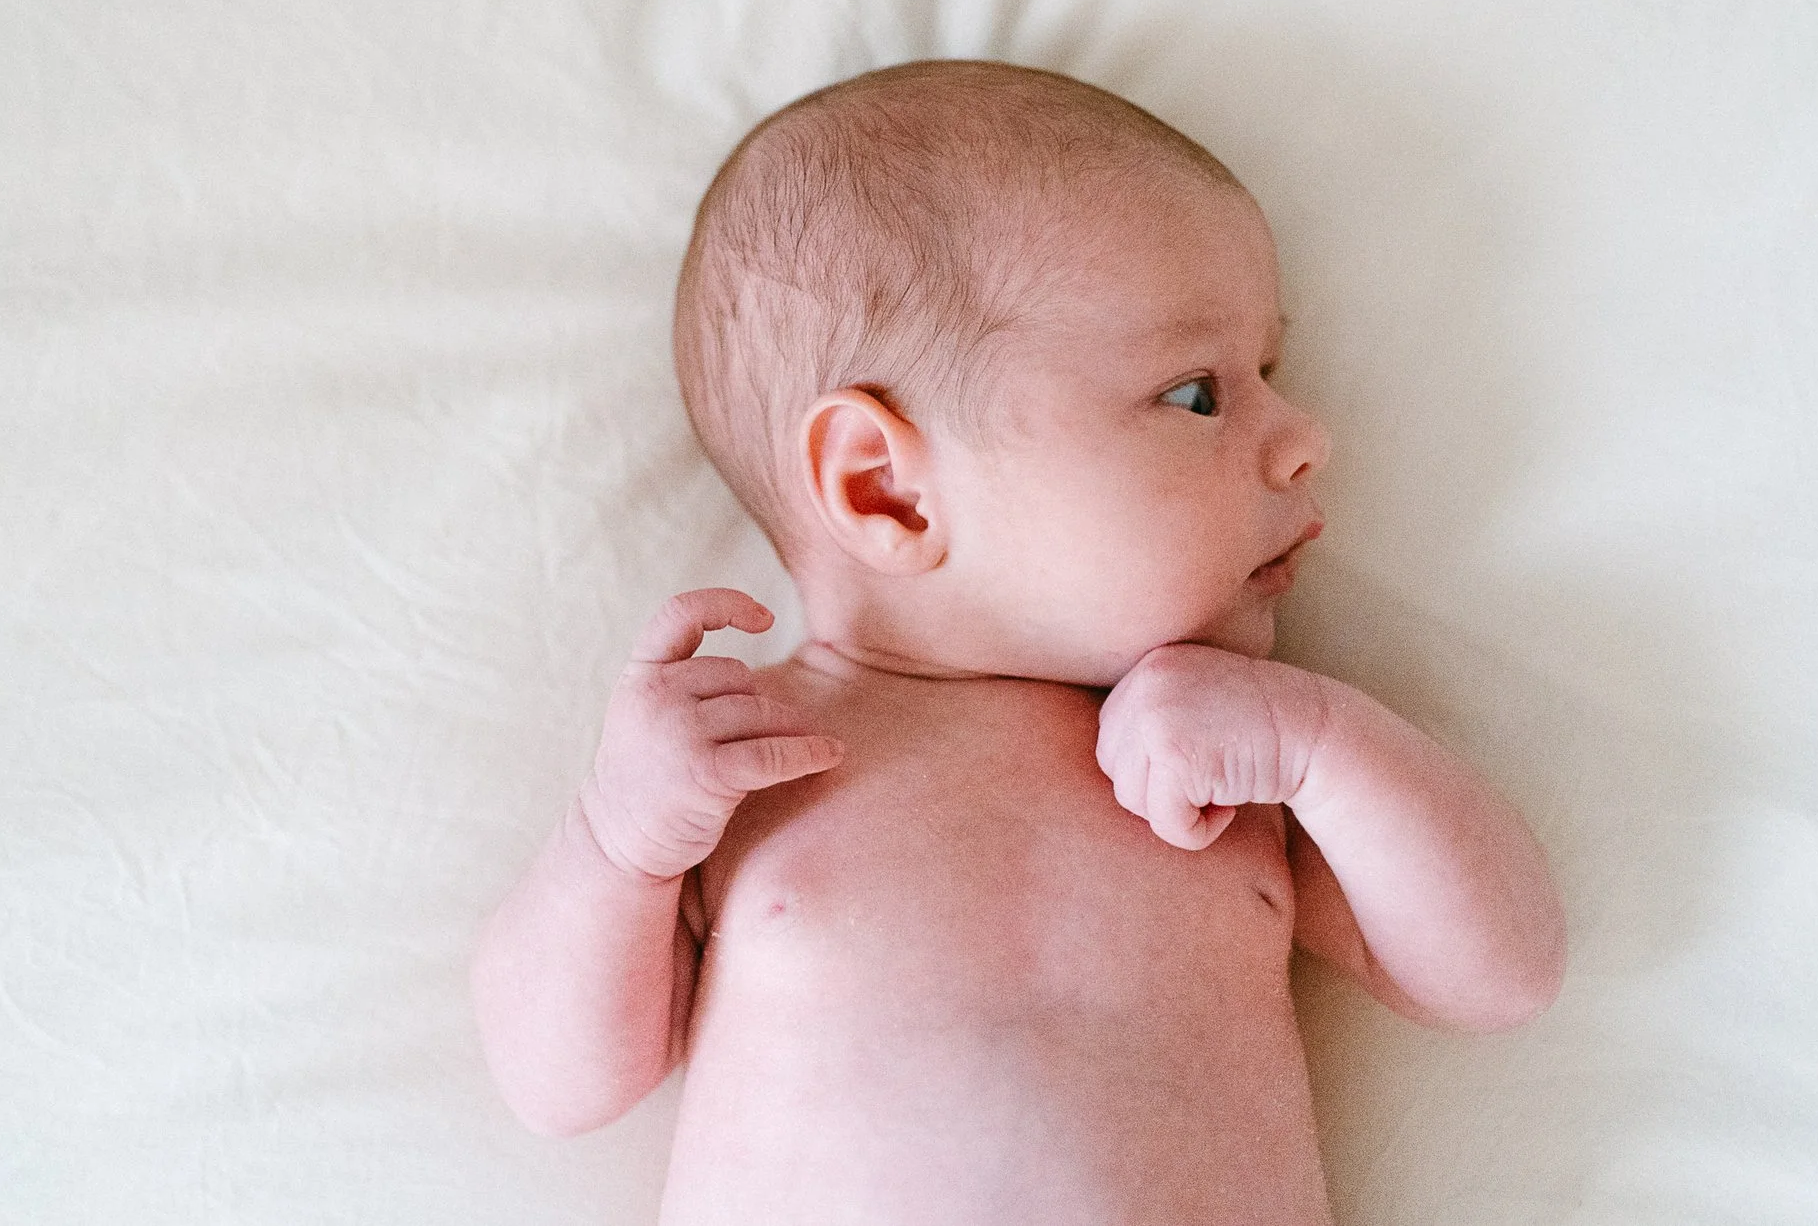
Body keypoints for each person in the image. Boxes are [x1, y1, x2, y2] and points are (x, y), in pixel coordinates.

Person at [472, 60, 1565, 1223]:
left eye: (1270, 374)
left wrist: (1325, 745)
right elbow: (560, 1084)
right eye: (1198, 393)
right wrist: (620, 840)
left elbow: (1499, 974)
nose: (1303, 438)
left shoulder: (1237, 753)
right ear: (886, 488)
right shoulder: (751, 765)